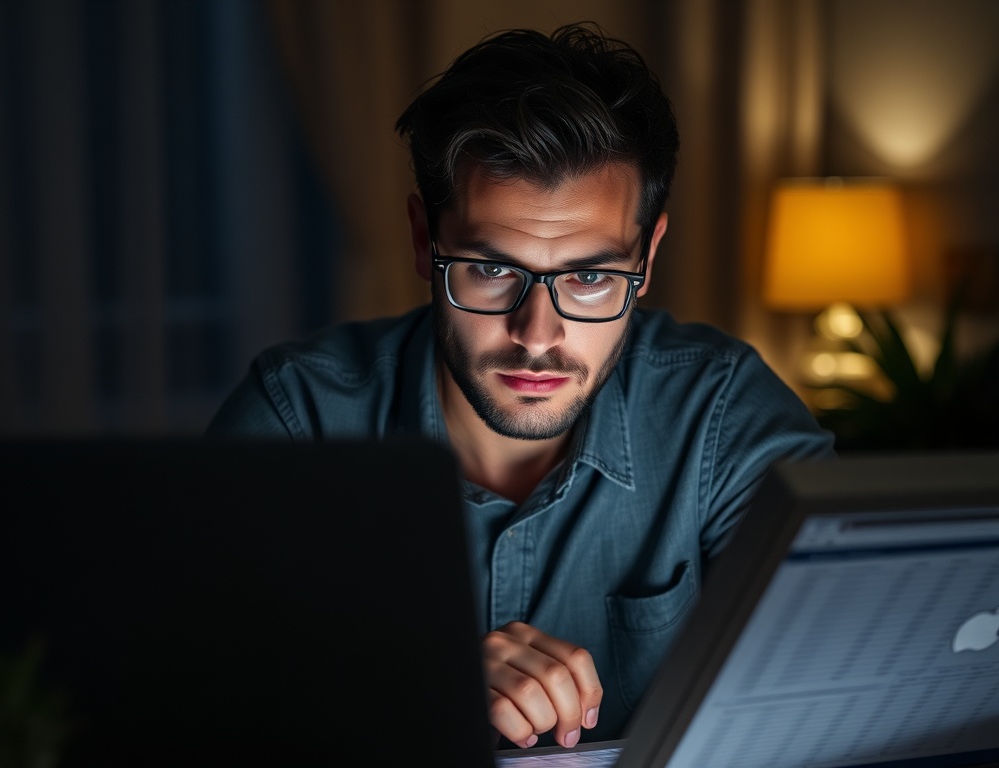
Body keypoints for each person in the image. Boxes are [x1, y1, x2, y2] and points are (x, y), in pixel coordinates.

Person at [207, 23, 835, 750]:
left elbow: (836, 683)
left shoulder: (721, 415)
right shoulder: (297, 422)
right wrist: (409, 690)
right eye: (493, 269)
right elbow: (187, 712)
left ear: (649, 255)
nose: (537, 334)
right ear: (424, 240)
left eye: (592, 277)